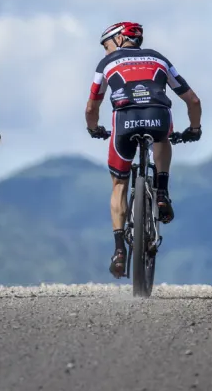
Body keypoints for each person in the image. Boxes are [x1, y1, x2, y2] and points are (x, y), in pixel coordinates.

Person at [85, 20, 202, 279]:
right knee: (163, 136)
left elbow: (92, 107)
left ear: (117, 40)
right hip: (158, 115)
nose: (105, 51)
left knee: (119, 185)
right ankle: (161, 192)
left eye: (105, 45)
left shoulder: (107, 64)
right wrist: (194, 129)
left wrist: (93, 129)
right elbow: (193, 100)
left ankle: (118, 251)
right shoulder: (159, 59)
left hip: (123, 121)